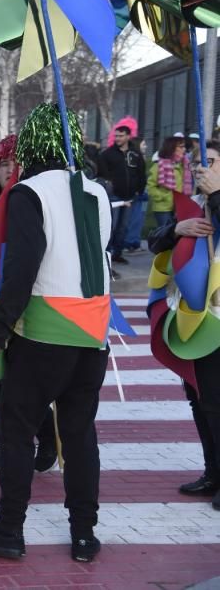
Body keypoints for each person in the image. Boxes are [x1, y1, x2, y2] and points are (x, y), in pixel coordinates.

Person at [0, 103, 111, 564]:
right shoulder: (97, 191)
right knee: (79, 435)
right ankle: (84, 533)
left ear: (31, 143)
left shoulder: (29, 192)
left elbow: (24, 266)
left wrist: (0, 326)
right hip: (93, 329)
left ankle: (9, 530)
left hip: (44, 329)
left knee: (17, 431)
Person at [0, 135, 57, 475]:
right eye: (3, 163)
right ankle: (4, 444)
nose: (9, 169)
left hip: (30, 303)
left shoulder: (35, 204)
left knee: (24, 383)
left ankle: (46, 434)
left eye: (15, 163)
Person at [147, 142, 220, 512]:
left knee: (216, 400)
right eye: (197, 162)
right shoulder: (193, 203)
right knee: (199, 397)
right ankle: (213, 472)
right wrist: (178, 227)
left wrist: (217, 195)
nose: (201, 168)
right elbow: (154, 242)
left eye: (211, 161)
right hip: (192, 313)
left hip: (217, 318)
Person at [98, 123, 145, 263]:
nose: (117, 138)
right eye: (116, 136)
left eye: (121, 136)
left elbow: (141, 173)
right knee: (111, 226)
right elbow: (102, 174)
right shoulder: (107, 154)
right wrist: (110, 186)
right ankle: (106, 253)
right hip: (114, 196)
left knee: (123, 227)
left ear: (128, 136)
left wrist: (139, 190)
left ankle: (117, 254)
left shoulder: (135, 154)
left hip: (130, 196)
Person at [147, 136, 191, 228]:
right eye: (181, 147)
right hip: (163, 208)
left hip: (179, 206)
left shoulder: (184, 165)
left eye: (184, 146)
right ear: (172, 148)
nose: (184, 149)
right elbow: (151, 186)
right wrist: (162, 197)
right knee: (165, 232)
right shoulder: (159, 165)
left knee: (176, 232)